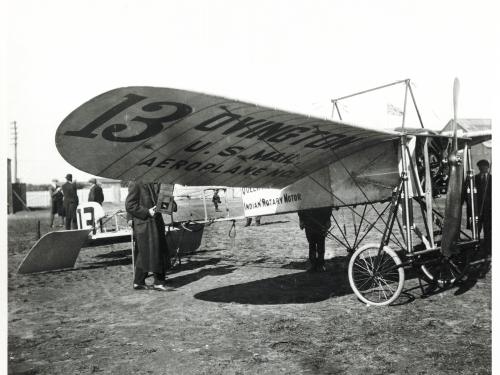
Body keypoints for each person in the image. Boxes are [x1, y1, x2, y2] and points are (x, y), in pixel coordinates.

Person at [126, 181, 172, 291]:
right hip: (144, 223)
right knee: (155, 251)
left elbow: (165, 205)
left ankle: (138, 282)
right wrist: (147, 212)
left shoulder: (159, 182)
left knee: (144, 253)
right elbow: (130, 205)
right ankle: (159, 282)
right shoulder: (135, 182)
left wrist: (170, 204)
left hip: (156, 221)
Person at [298, 206, 333, 272]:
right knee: (312, 245)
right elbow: (300, 209)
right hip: (309, 223)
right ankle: (313, 265)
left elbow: (328, 208)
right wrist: (301, 220)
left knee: (320, 245)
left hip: (320, 222)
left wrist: (328, 220)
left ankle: (320, 265)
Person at [474, 159, 491, 253]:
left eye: (485, 166)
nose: (483, 168)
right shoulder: (474, 179)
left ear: (488, 167)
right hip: (477, 209)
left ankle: (488, 247)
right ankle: (476, 245)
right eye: (480, 166)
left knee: (488, 229)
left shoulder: (492, 178)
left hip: (489, 209)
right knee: (477, 228)